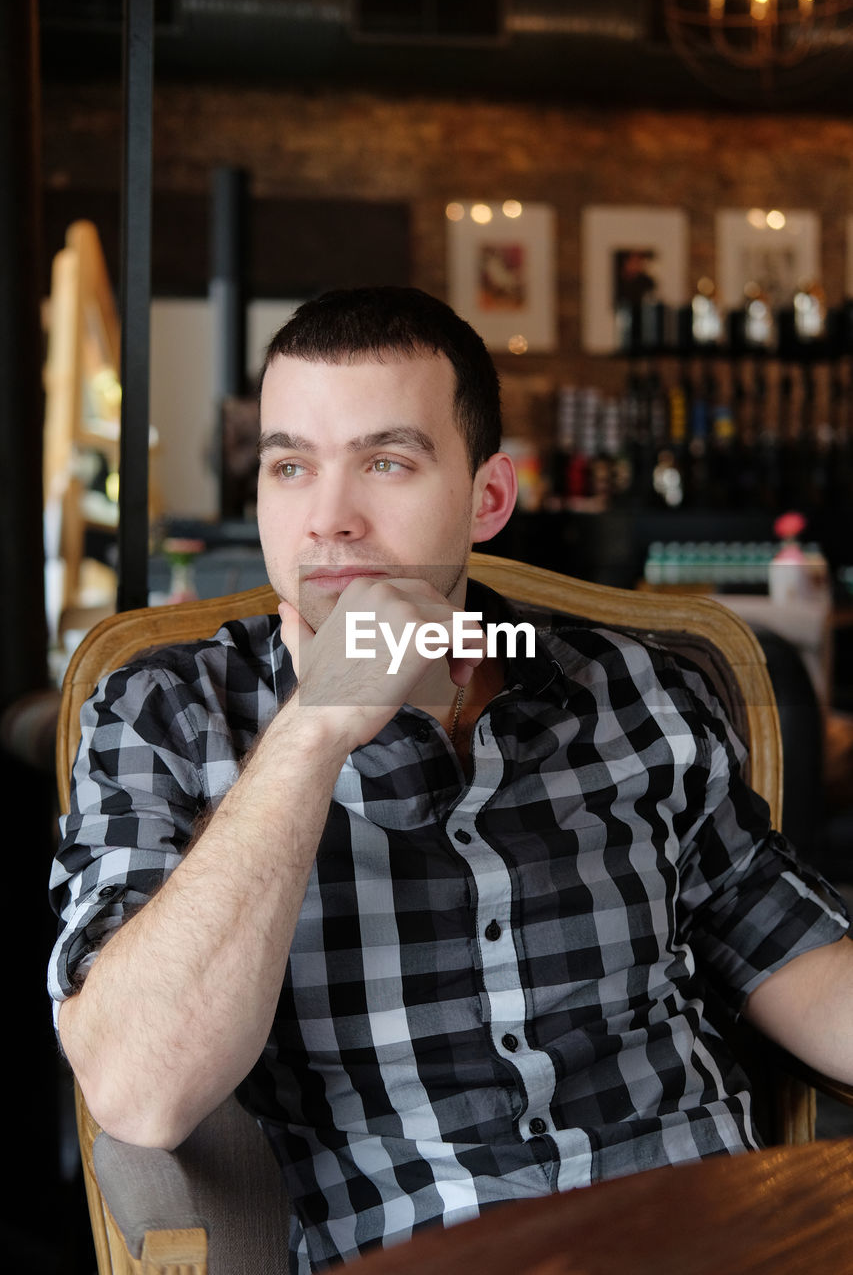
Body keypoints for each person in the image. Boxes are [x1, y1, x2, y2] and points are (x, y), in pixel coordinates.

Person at [49, 286, 852, 1273]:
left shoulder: (637, 688)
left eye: (386, 461)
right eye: (290, 464)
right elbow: (137, 1086)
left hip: (719, 1234)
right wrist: (314, 730)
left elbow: (801, 962)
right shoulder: (166, 713)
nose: (329, 518)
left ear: (488, 496)